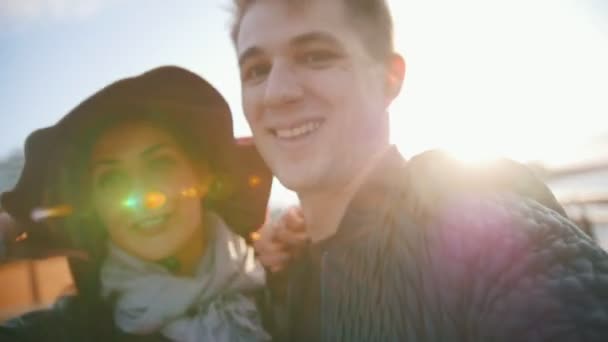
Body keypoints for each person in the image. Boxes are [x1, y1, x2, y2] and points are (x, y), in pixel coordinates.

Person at [231, 0, 608, 341]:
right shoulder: (269, 281)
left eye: (316, 56)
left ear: (390, 78)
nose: (276, 92)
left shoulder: (478, 233)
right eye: (257, 69)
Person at [0, 66, 279, 341]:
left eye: (160, 163)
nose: (142, 198)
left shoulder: (287, 291)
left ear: (202, 175)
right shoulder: (64, 332)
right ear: (95, 205)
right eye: (112, 179)